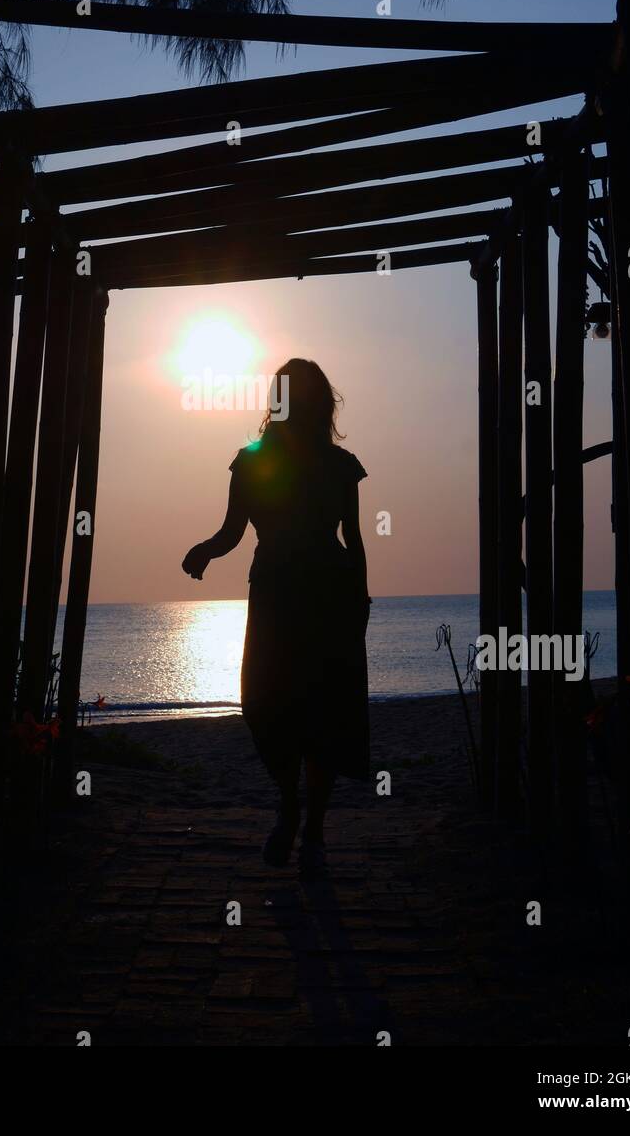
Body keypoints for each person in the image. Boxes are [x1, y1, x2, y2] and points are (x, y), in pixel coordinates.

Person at [182, 358, 371, 877]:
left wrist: (362, 595)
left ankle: (310, 826)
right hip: (277, 593)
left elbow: (353, 537)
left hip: (325, 593)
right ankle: (291, 805)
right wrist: (204, 550)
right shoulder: (251, 461)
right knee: (265, 704)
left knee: (321, 710)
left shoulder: (340, 465)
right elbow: (231, 532)